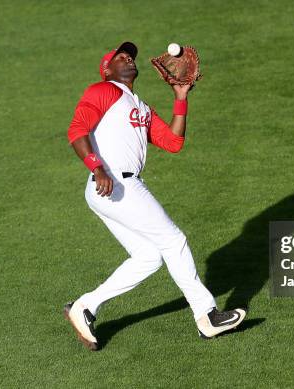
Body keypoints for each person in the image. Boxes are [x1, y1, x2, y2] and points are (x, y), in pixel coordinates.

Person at [63, 41, 246, 351]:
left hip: (110, 188)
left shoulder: (140, 106)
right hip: (113, 182)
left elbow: (173, 142)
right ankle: (207, 315)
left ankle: (86, 306)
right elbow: (76, 130)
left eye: (130, 56)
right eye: (119, 57)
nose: (127, 59)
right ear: (107, 70)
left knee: (149, 257)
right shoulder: (103, 90)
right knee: (173, 240)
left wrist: (180, 98)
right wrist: (97, 168)